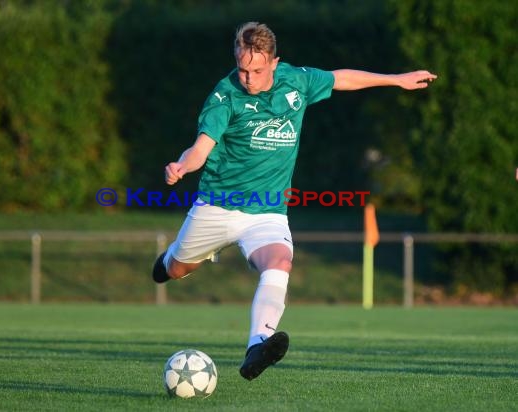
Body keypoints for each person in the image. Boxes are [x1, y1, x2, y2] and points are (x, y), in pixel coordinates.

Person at [152, 21, 436, 381]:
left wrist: (396, 79)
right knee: (176, 270)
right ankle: (170, 257)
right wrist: (181, 166)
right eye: (242, 69)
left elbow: (340, 78)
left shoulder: (295, 81)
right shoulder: (224, 96)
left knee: (280, 262)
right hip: (216, 207)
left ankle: (259, 343)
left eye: (256, 70)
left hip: (267, 211)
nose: (248, 78)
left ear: (274, 62)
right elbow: (201, 149)